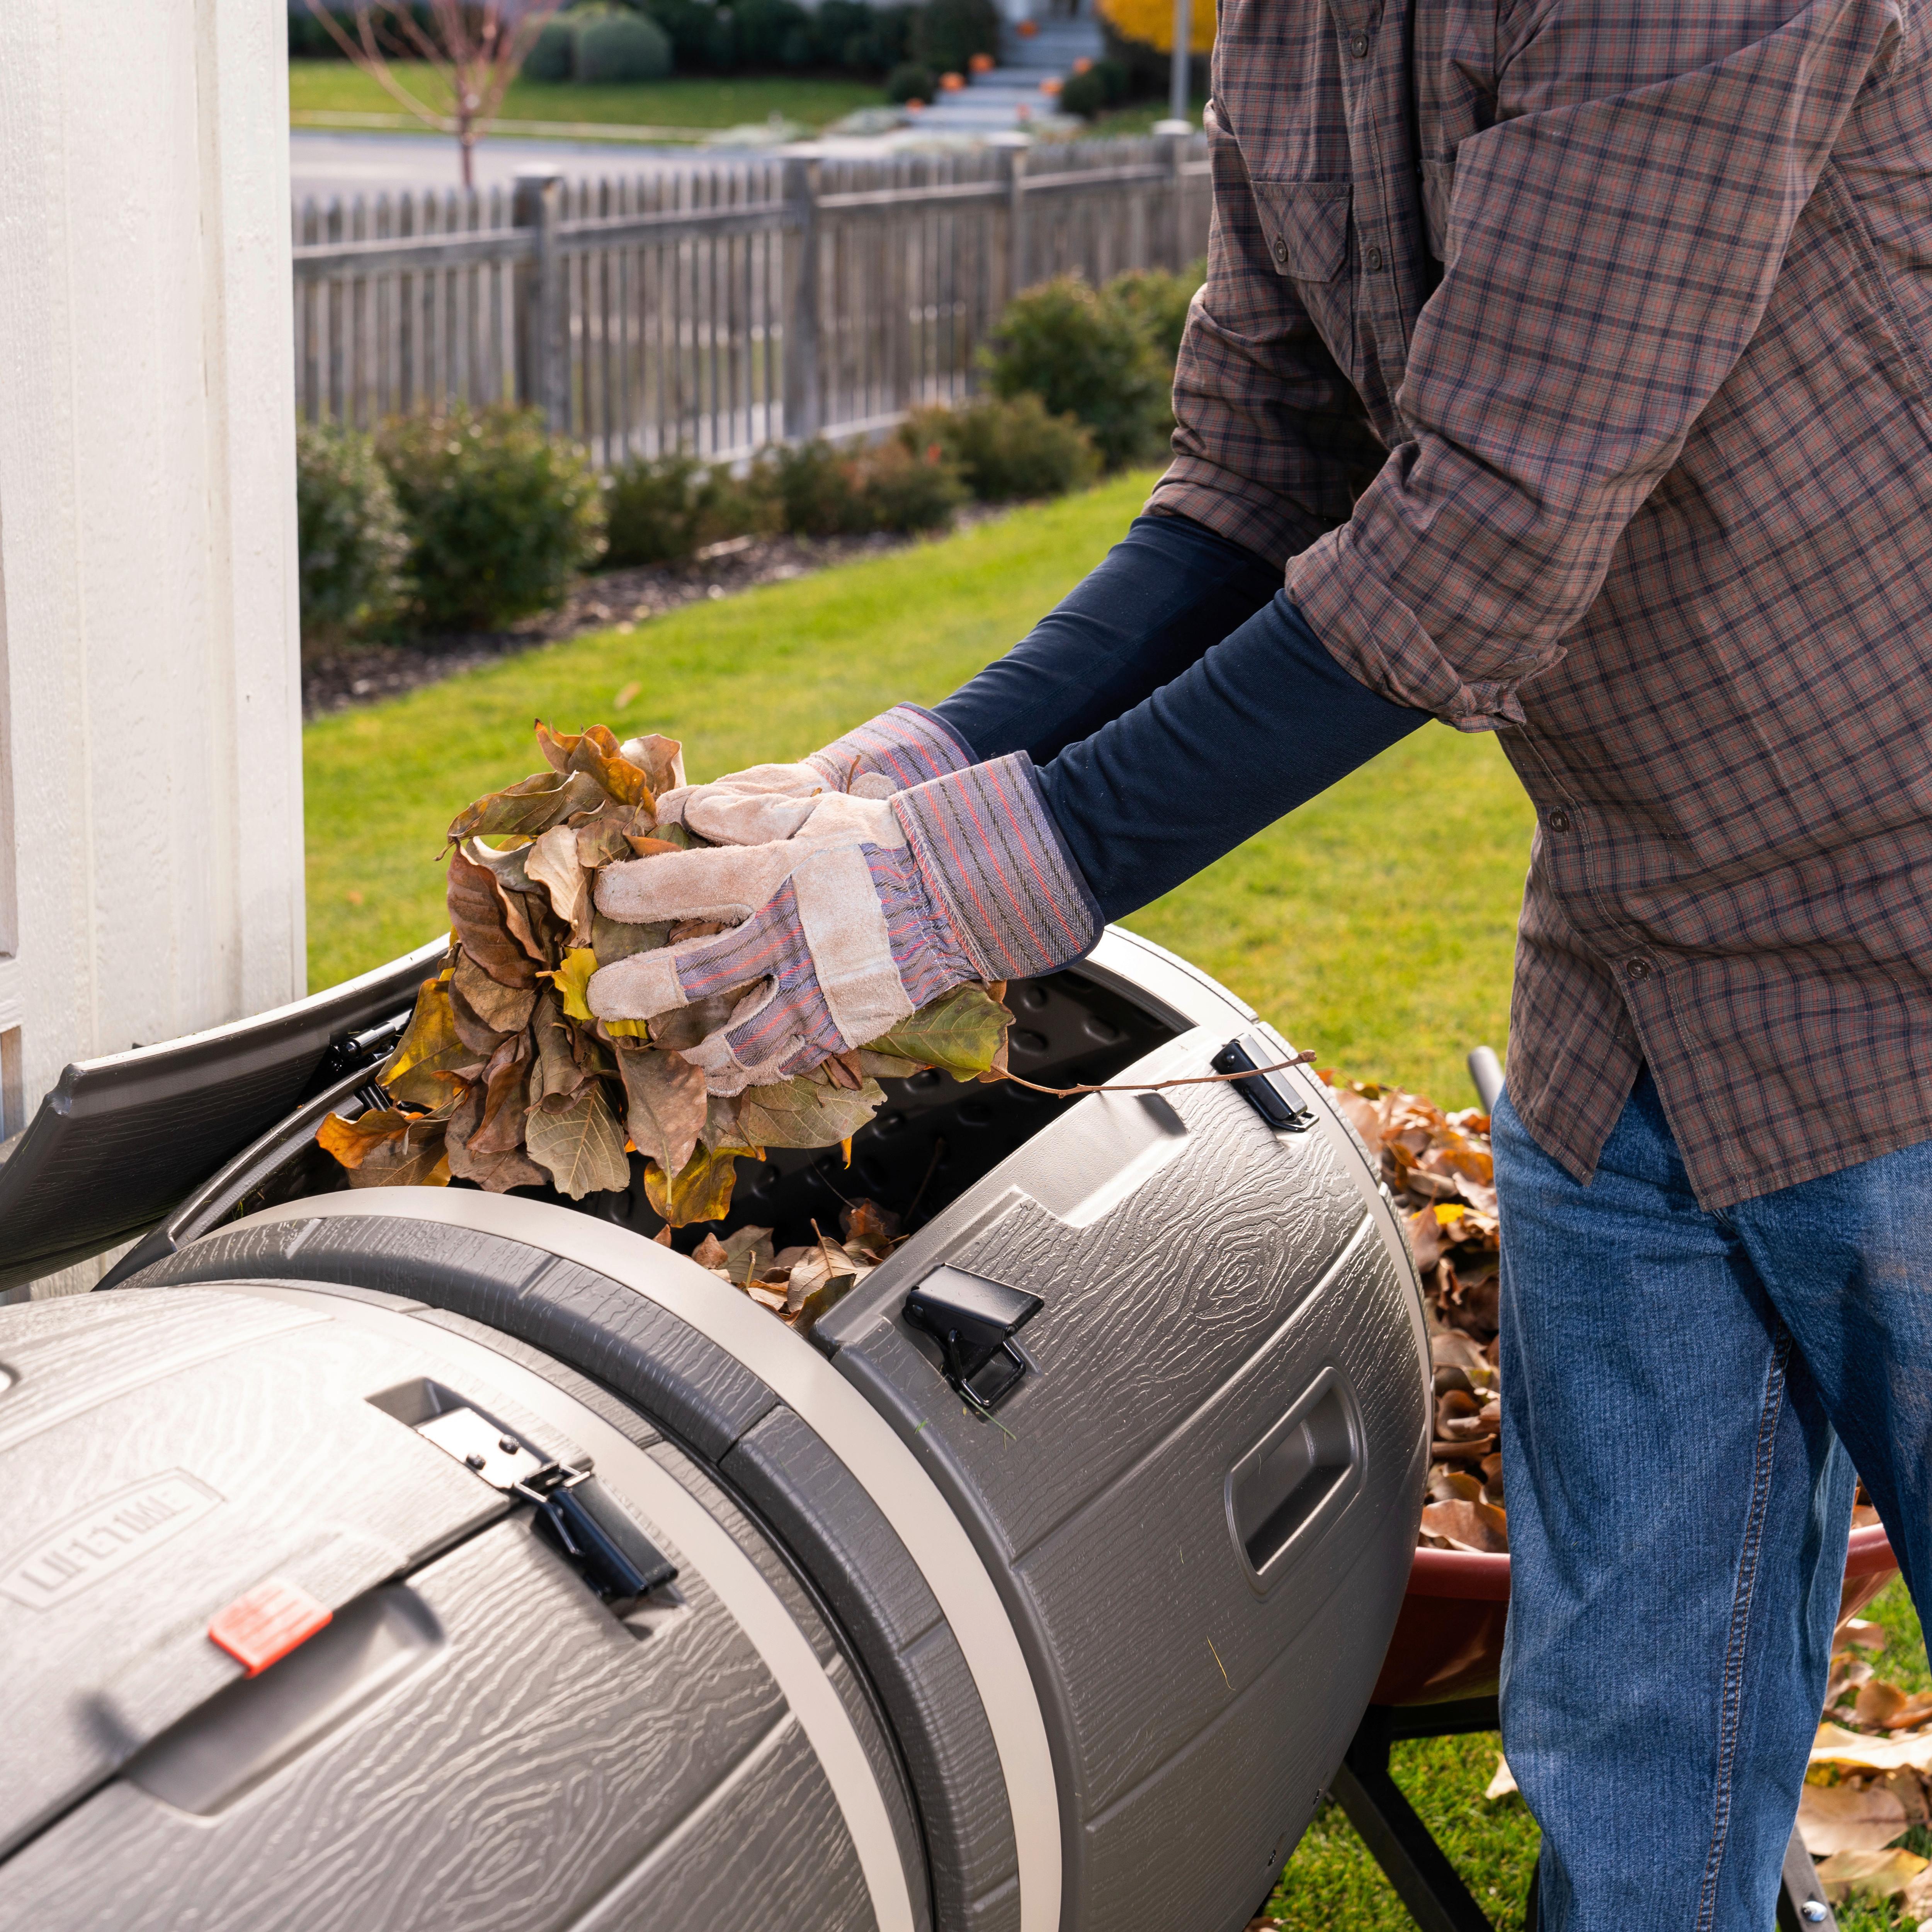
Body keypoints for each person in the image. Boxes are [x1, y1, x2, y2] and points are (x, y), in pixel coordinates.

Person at [588, 1, 1932, 1922]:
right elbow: (1260, 473)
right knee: (1623, 1747)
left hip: (1899, 948)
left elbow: (1478, 536)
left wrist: (975, 885)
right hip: (1634, 972)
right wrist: (923, 765)